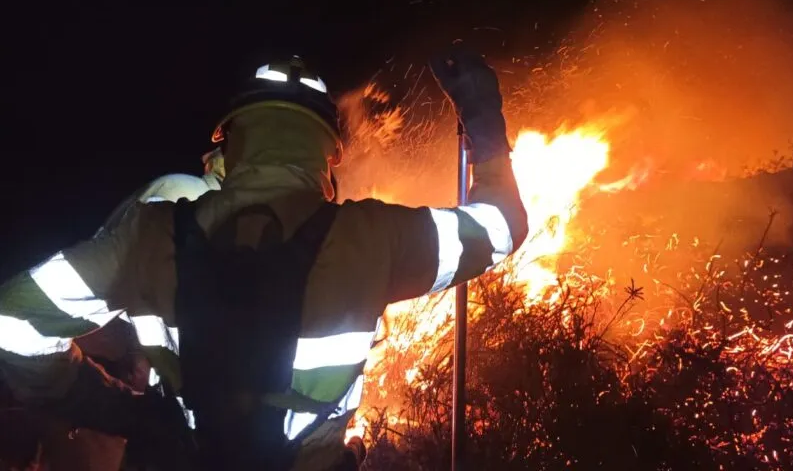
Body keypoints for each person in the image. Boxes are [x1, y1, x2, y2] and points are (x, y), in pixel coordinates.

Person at [0, 49, 528, 470]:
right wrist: (482, 117)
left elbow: (12, 321)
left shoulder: (151, 232)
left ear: (231, 142)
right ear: (328, 155)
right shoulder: (372, 236)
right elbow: (502, 227)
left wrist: (112, 407)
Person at [0, 150, 226, 471]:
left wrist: (122, 410)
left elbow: (14, 322)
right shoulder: (190, 202)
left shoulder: (177, 200)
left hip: (183, 448)